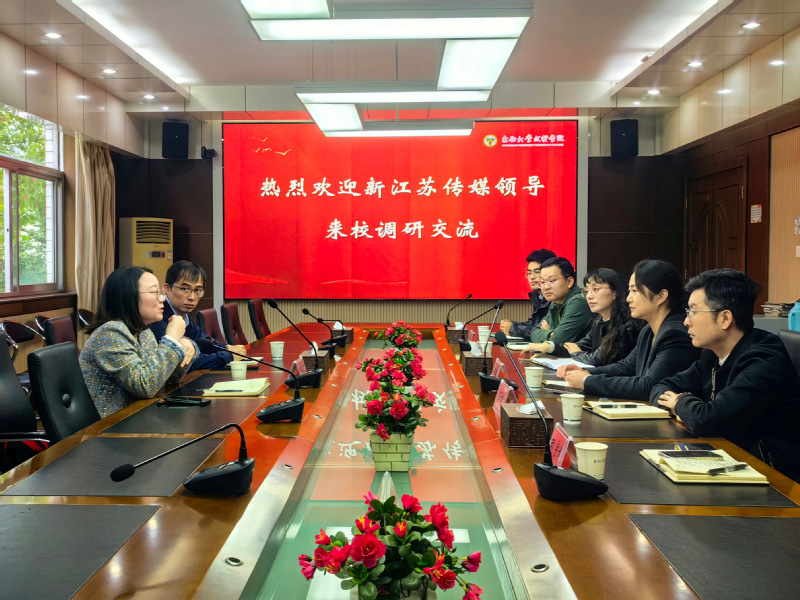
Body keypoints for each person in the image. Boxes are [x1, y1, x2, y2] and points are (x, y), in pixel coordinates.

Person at [651, 269, 800, 480]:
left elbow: (708, 421)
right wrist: (687, 407)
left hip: (773, 477)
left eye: (693, 311)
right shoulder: (712, 354)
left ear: (725, 318)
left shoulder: (764, 359)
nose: (686, 321)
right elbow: (661, 386)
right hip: (729, 461)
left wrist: (680, 402)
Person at [557, 259, 699, 400]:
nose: (628, 299)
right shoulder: (648, 330)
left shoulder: (675, 334)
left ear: (661, 296)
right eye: (629, 291)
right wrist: (585, 371)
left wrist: (587, 381)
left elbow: (649, 386)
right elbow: (625, 367)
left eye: (635, 291)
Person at [80, 265, 197, 418]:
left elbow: (165, 379)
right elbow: (145, 386)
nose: (162, 298)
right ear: (129, 296)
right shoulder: (110, 333)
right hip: (111, 426)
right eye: (154, 292)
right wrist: (172, 340)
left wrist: (184, 346)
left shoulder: (143, 332)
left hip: (139, 417)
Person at [150, 260, 244, 371]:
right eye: (184, 289)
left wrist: (229, 349)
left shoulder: (183, 314)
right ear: (167, 288)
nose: (192, 297)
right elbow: (182, 362)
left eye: (198, 290)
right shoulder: (157, 316)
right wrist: (227, 356)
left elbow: (202, 342)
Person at [555, 268, 641, 366]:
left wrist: (577, 354)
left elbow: (599, 359)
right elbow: (578, 346)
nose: (589, 296)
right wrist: (549, 347)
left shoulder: (627, 324)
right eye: (587, 291)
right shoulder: (599, 320)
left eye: (595, 289)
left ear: (615, 292)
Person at [521, 257, 595, 354]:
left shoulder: (579, 302)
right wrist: (551, 333)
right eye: (542, 282)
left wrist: (553, 334)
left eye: (552, 281)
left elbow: (557, 341)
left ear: (569, 282)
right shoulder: (555, 302)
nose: (546, 287)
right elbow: (534, 333)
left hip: (584, 360)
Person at [499, 248, 556, 338]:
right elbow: (535, 324)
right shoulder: (538, 296)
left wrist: (513, 328)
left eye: (537, 272)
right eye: (529, 273)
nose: (532, 277)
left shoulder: (555, 298)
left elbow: (541, 330)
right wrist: (513, 325)